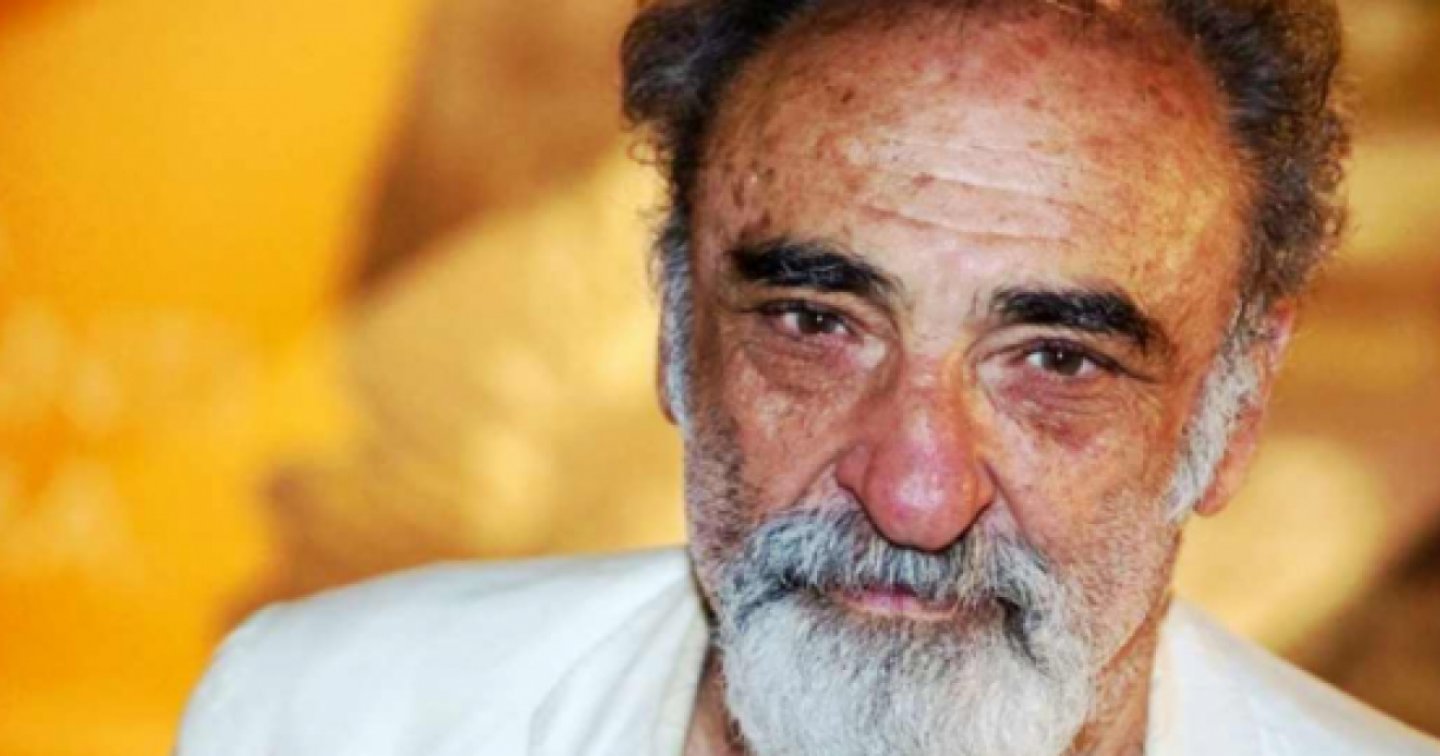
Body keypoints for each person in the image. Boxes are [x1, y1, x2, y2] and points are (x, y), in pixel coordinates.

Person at [177, 0, 1440, 754]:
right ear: (676, 326)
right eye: (816, 323)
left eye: (1057, 360)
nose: (915, 492)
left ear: (1235, 408)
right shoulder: (330, 715)